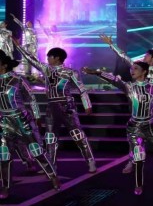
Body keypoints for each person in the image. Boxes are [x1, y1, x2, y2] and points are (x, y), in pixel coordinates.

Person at [83, 62, 153, 195]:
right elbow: (113, 79)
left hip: (151, 126)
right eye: (131, 68)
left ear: (144, 71)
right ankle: (138, 184)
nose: (132, 71)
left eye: (135, 68)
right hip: (134, 127)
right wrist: (95, 72)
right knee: (138, 155)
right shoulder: (129, 86)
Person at [99, 35, 153, 172]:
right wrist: (111, 44)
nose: (144, 57)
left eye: (146, 56)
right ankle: (131, 161)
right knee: (134, 137)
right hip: (139, 108)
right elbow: (124, 57)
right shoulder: (138, 68)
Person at [13, 39, 96, 173]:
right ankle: (51, 165)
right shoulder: (47, 69)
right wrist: (18, 46)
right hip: (51, 106)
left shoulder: (71, 72)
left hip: (67, 105)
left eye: (49, 57)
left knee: (77, 135)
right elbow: (30, 59)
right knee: (50, 137)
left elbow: (81, 89)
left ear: (57, 58)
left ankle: (90, 161)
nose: (47, 59)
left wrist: (87, 105)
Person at [0, 52, 60, 199]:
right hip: (4, 121)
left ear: (4, 65)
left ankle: (53, 176)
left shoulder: (18, 79)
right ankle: (6, 186)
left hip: (21, 119)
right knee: (4, 154)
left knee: (36, 150)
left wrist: (37, 116)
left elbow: (31, 98)